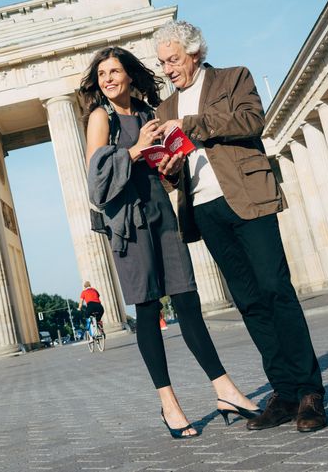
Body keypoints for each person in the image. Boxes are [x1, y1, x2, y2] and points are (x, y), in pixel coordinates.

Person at [151, 20, 327, 432]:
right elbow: (170, 174)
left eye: (173, 60)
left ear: (195, 52)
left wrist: (190, 125)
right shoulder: (163, 109)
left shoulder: (233, 78)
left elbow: (251, 122)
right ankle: (285, 392)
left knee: (276, 290)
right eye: (162, 64)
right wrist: (168, 169)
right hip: (205, 209)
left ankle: (309, 392)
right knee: (248, 301)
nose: (168, 70)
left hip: (248, 197)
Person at [83, 45, 260, 439]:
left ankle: (225, 389)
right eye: (102, 74)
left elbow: (163, 171)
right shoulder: (100, 117)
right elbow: (96, 182)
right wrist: (135, 149)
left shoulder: (149, 113)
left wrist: (170, 163)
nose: (108, 79)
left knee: (188, 300)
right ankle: (169, 404)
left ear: (129, 75)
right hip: (129, 222)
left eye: (114, 71)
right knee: (148, 308)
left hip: (162, 213)